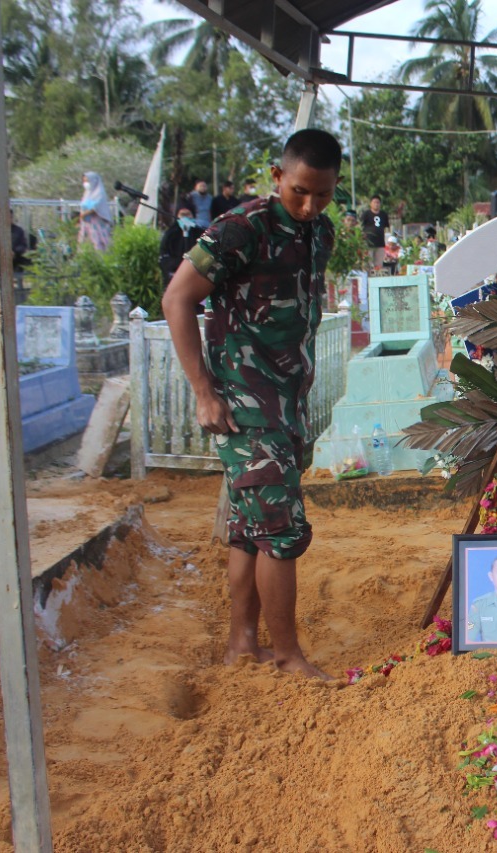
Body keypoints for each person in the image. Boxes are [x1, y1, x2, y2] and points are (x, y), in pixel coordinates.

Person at [160, 128, 342, 680]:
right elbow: (177, 298)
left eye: (322, 194)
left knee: (250, 526)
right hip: (243, 401)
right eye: (299, 192)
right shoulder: (241, 229)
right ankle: (287, 656)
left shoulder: (320, 232)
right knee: (281, 530)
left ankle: (241, 645)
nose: (309, 205)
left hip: (287, 401)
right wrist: (203, 392)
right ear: (277, 176)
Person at [159, 206, 203, 293]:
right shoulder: (170, 234)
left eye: (188, 214)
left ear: (193, 216)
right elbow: (164, 257)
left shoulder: (200, 233)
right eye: (182, 215)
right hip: (174, 277)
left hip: (196, 278)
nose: (185, 218)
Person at [78, 172, 113, 251]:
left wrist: (84, 214)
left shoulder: (99, 192)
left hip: (97, 222)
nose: (85, 183)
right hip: (87, 223)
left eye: (87, 181)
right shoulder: (87, 193)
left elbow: (96, 206)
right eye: (84, 181)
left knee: (99, 242)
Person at [361, 195, 388, 271]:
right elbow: (361, 226)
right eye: (374, 202)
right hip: (368, 243)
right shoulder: (366, 214)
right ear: (371, 203)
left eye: (378, 202)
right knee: (367, 264)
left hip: (380, 243)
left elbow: (386, 227)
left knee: (378, 265)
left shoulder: (383, 214)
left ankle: (377, 277)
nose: (376, 204)